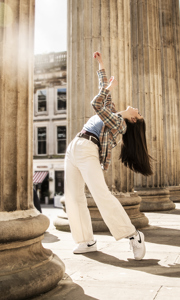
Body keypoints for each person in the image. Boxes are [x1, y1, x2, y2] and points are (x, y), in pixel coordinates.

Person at [64, 51, 153, 260]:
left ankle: (133, 235)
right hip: (74, 146)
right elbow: (104, 95)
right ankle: (86, 240)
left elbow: (96, 103)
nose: (137, 110)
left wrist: (107, 88)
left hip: (88, 149)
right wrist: (101, 66)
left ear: (132, 121)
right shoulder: (114, 113)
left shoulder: (119, 124)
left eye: (138, 114)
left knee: (101, 195)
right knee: (73, 197)